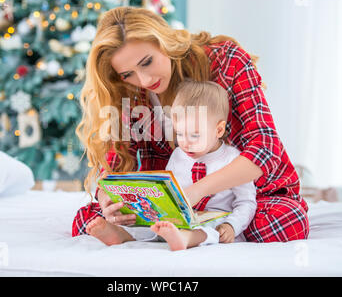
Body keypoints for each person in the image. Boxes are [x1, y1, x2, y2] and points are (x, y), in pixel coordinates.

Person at [72, 6, 309, 243]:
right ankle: (167, 233)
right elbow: (114, 165)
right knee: (86, 220)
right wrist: (107, 200)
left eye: (147, 62)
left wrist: (195, 192)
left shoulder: (227, 61)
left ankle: (215, 230)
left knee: (282, 222)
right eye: (128, 74)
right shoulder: (130, 93)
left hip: (245, 195)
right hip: (174, 205)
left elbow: (265, 148)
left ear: (164, 42)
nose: (143, 80)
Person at [85, 80, 257, 250]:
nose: (185, 143)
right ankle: (122, 234)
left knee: (210, 230)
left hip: (217, 219)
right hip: (180, 218)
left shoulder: (234, 159)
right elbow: (168, 189)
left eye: (194, 135)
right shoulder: (178, 155)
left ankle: (186, 238)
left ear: (218, 130)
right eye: (180, 133)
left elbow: (247, 202)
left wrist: (232, 225)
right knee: (153, 224)